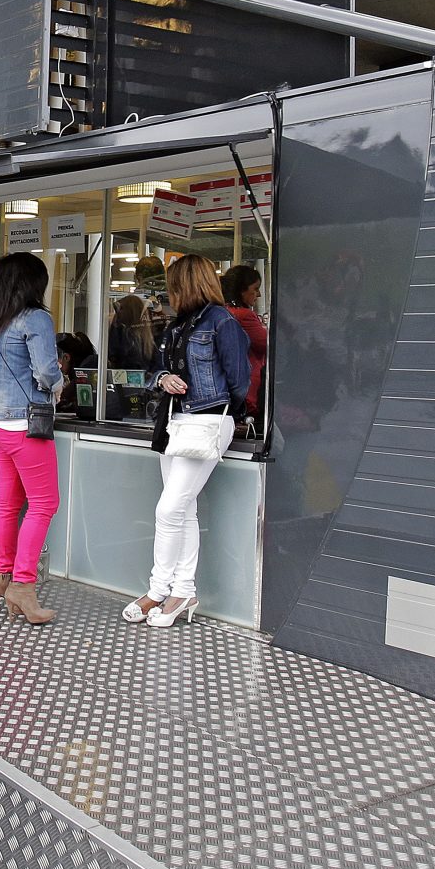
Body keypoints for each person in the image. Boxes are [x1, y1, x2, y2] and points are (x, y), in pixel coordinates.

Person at [127, 254, 253, 630]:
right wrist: (164, 378)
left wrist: (227, 411)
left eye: (173, 285)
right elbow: (154, 370)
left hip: (207, 421)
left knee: (170, 510)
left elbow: (239, 379)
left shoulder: (222, 322)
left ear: (186, 284)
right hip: (176, 422)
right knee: (183, 510)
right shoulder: (179, 325)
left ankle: (158, 589)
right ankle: (183, 590)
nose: (170, 293)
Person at [0, 252, 62, 625]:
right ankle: (24, 586)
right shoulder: (36, 318)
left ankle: (4, 574)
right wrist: (60, 384)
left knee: (7, 505)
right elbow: (45, 371)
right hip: (24, 424)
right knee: (44, 504)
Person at [220, 264, 268, 426]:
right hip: (248, 390)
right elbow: (268, 344)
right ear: (242, 290)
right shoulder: (244, 316)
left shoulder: (222, 312)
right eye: (255, 289)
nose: (258, 294)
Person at [108, 294, 155, 371]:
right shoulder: (148, 338)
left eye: (121, 309)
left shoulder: (121, 333)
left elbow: (115, 356)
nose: (118, 313)